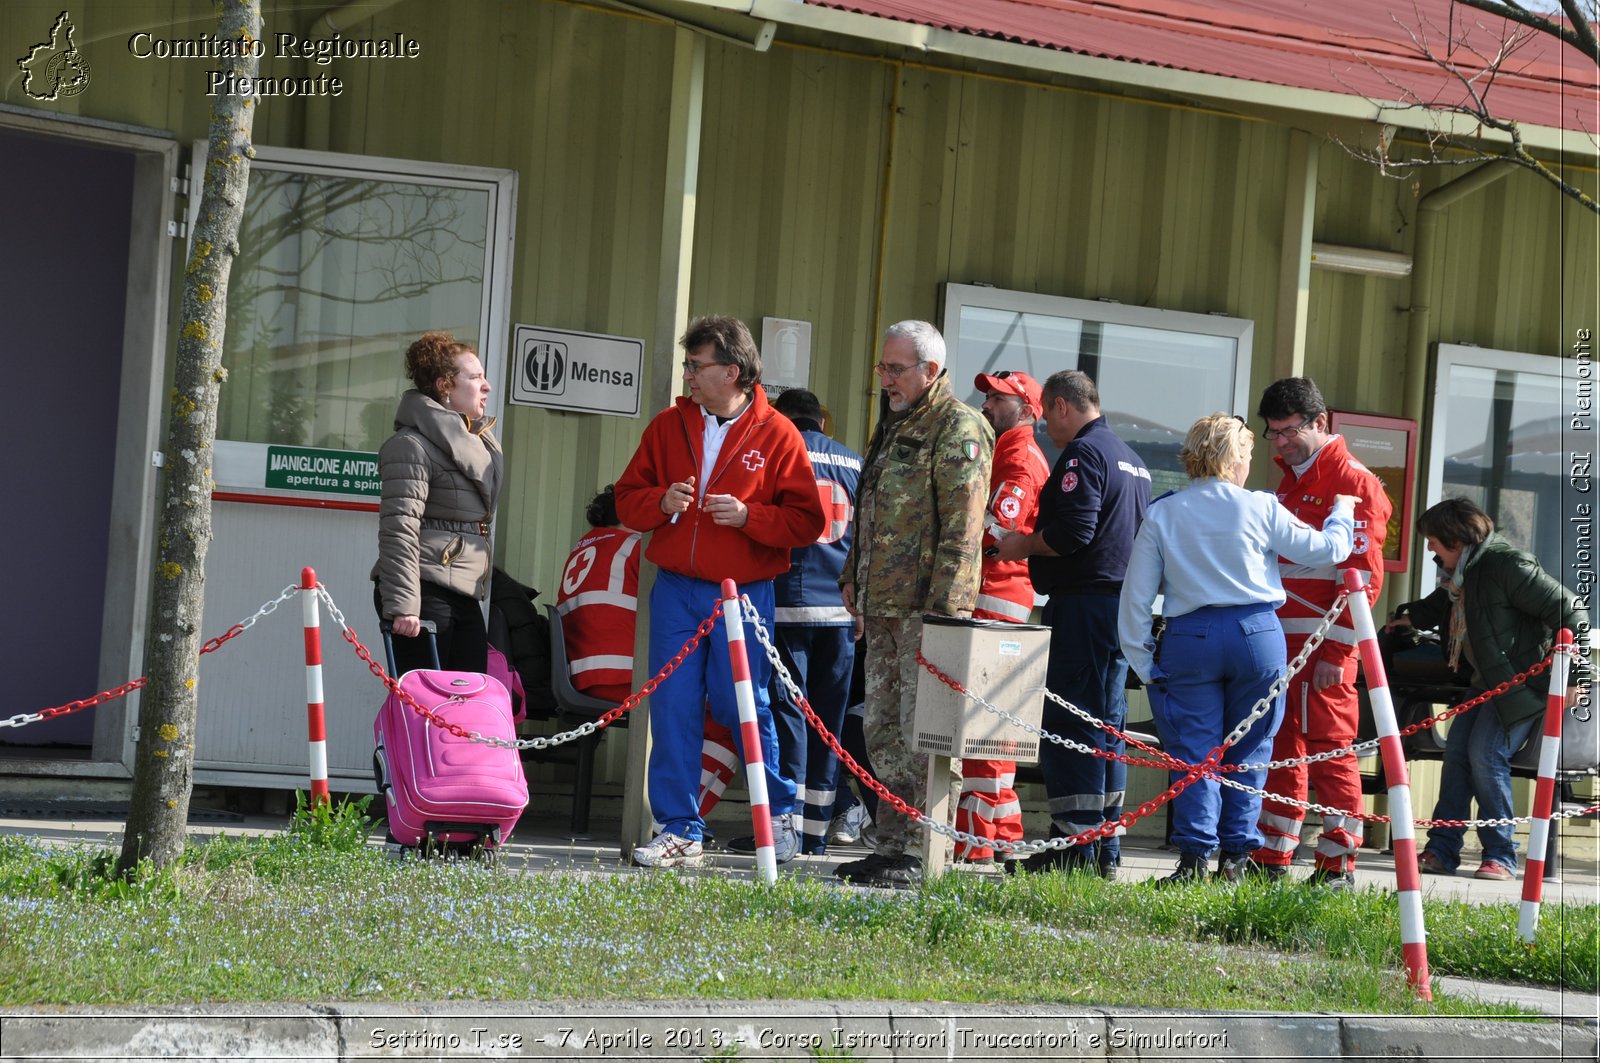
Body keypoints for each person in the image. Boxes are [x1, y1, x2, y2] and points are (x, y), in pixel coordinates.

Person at [614, 316, 826, 869]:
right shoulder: (667, 426)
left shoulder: (778, 432)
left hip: (744, 595)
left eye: (696, 366)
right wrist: (661, 502)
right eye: (688, 365)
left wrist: (748, 516)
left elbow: (807, 521)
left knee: (742, 704)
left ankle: (777, 816)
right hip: (677, 590)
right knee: (674, 707)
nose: (687, 375)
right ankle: (680, 830)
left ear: (732, 371)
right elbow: (627, 499)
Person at [1119, 414, 1358, 884]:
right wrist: (1343, 510)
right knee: (1251, 749)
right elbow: (1329, 549)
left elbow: (1136, 600)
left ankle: (1192, 860)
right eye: (1247, 455)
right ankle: (1235, 860)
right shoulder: (1260, 508)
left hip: (1190, 638)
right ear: (1232, 459)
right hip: (1257, 635)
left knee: (1193, 752)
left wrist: (1144, 663)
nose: (1251, 464)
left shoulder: (1164, 512)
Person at [835, 320, 993, 888]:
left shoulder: (957, 426)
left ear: (931, 370)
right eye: (882, 367)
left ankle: (924, 849)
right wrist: (853, 578)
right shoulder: (897, 422)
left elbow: (963, 528)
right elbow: (871, 509)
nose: (886, 379)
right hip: (884, 608)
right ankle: (893, 841)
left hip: (927, 611)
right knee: (881, 728)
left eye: (896, 369)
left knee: (920, 730)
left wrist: (945, 612)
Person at [995, 370, 1150, 877]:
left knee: (1072, 723)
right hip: (1121, 610)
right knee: (1108, 726)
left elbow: (1074, 532)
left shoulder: (1085, 455)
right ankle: (1104, 844)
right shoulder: (1136, 461)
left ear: (1062, 406)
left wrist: (1022, 544)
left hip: (1084, 605)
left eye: (1047, 414)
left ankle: (1071, 848)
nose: (1045, 427)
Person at [1390, 498, 1591, 881]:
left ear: (1455, 538)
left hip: (1522, 685)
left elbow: (1572, 609)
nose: (1430, 549)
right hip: (1487, 684)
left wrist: (1573, 679)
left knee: (1485, 754)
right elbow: (1445, 602)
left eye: (1433, 541)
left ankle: (1501, 855)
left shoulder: (1506, 565)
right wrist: (1409, 618)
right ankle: (1442, 850)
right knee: (1458, 757)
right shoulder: (1467, 572)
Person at [1249, 378, 1390, 889]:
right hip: (1280, 645)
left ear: (1319, 423)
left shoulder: (1353, 482)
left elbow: (1362, 578)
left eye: (1288, 432)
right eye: (1273, 433)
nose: (1280, 442)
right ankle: (1272, 854)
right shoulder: (1291, 479)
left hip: (1322, 649)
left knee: (1332, 753)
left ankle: (1338, 863)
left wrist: (1337, 648)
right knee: (1282, 747)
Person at [555, 484, 741, 833]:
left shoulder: (585, 547)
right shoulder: (637, 548)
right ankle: (675, 820)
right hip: (622, 672)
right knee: (726, 722)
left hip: (578, 673)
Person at [750, 388, 864, 855]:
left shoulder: (777, 451)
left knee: (788, 718)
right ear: (823, 420)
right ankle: (817, 835)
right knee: (829, 724)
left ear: (783, 418)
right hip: (840, 613)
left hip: (786, 608)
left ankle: (787, 831)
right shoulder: (855, 463)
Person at [956, 370, 1050, 864]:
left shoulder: (1017, 456)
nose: (987, 403)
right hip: (1000, 598)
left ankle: (976, 841)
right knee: (994, 722)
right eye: (987, 395)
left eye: (1000, 398)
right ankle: (1002, 834)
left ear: (1029, 409)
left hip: (993, 596)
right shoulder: (1009, 450)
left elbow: (996, 528)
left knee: (982, 722)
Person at [373, 331, 503, 675]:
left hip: (461, 590)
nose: (486, 386)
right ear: (445, 385)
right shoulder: (410, 445)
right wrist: (404, 606)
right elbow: (399, 527)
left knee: (464, 712)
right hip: (424, 592)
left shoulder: (474, 442)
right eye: (475, 377)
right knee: (427, 712)